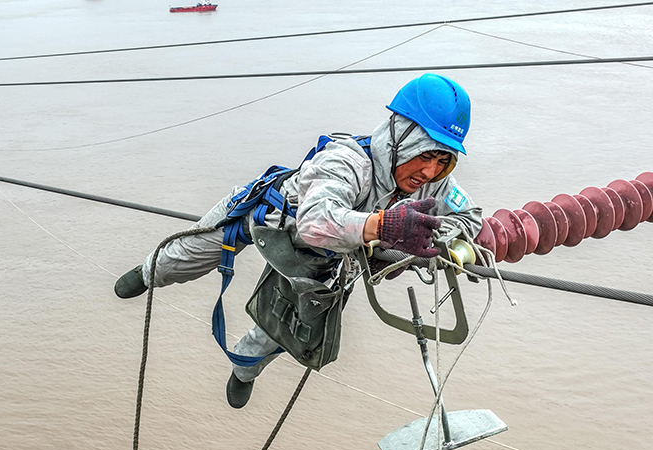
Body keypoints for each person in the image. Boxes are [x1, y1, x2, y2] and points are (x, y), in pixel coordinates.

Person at [114, 73, 482, 409]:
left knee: (281, 328)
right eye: (424, 156)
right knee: (189, 253)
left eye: (443, 160)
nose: (429, 171)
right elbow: (315, 221)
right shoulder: (348, 162)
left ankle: (244, 370)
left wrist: (433, 237)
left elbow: (470, 216)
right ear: (399, 137)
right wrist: (384, 227)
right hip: (269, 218)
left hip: (324, 255)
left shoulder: (434, 183)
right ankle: (149, 272)